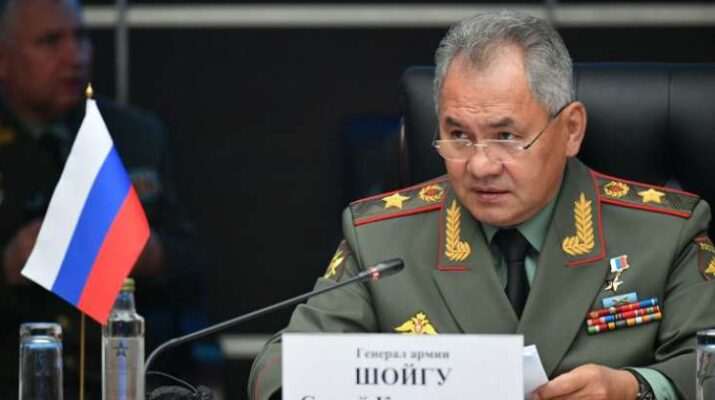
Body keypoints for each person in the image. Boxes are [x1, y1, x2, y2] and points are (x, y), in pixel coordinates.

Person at [248, 10, 715, 400]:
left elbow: (708, 367)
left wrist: (638, 388)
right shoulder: (382, 237)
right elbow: (279, 368)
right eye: (458, 136)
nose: (480, 165)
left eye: (506, 136)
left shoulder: (664, 231)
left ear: (571, 129)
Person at [0, 0, 204, 397]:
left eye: (81, 38)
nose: (74, 56)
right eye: (50, 41)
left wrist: (149, 255)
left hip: (127, 373)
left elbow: (195, 270)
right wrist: (9, 266)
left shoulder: (136, 136)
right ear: (4, 60)